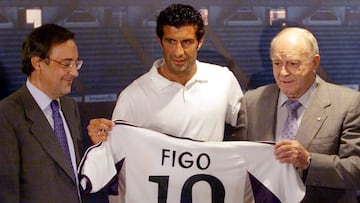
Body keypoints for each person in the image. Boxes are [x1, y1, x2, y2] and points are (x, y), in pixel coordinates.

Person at [229, 27, 360, 202]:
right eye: (276, 63)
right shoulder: (252, 102)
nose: (283, 72)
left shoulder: (348, 103)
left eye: (292, 63)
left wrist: (309, 162)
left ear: (314, 62)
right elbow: (236, 161)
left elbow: (356, 169)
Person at [88, 3, 243, 142]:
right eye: (171, 41)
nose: (178, 52)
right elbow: (118, 152)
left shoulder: (223, 80)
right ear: (160, 41)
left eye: (186, 42)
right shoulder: (133, 97)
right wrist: (101, 142)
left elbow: (247, 128)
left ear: (200, 42)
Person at [0, 24, 85, 203]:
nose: (75, 72)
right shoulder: (7, 115)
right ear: (38, 63)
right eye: (66, 64)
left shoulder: (70, 107)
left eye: (76, 63)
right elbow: (7, 193)